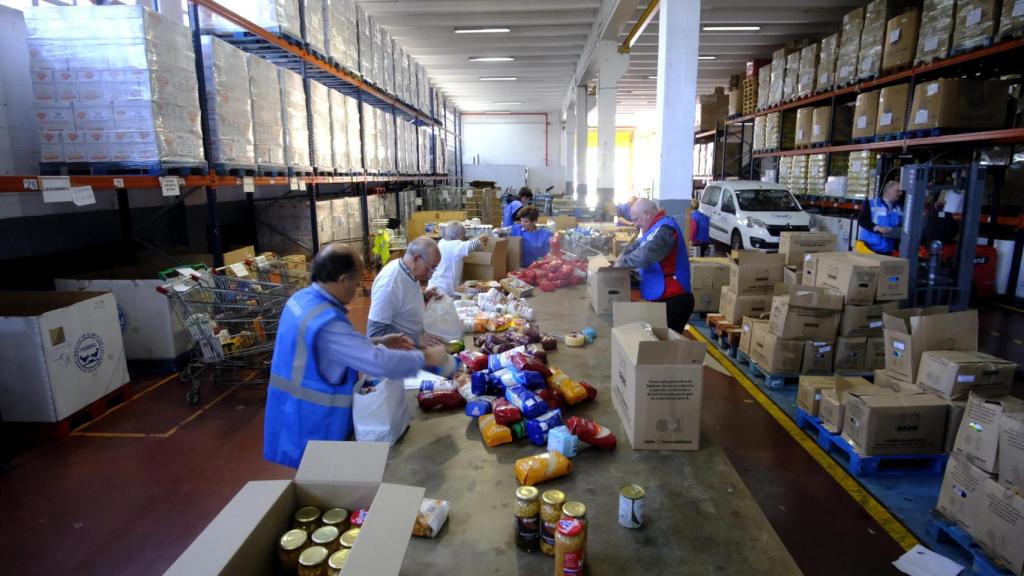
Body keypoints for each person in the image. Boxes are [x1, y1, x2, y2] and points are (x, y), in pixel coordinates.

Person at [264, 244, 450, 468]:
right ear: (342, 280)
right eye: (356, 280)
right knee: (321, 483)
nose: (359, 288)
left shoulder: (302, 300)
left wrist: (378, 341)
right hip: (314, 422)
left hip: (290, 409)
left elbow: (326, 350)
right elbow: (377, 362)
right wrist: (427, 358)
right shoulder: (326, 322)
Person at [615, 198, 694, 333]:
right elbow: (638, 245)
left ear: (648, 213)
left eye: (636, 219)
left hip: (674, 300)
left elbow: (645, 254)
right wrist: (621, 257)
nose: (635, 224)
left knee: (664, 347)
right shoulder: (653, 229)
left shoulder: (665, 229)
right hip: (662, 297)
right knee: (657, 343)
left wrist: (621, 263)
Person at [368, 236, 445, 346]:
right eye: (430, 268)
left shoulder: (409, 271)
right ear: (416, 259)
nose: (431, 274)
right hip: (399, 354)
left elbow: (402, 301)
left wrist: (423, 296)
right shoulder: (390, 285)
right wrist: (417, 340)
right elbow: (375, 334)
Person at [427, 221, 483, 296]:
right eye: (463, 235)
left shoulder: (442, 242)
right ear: (458, 235)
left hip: (435, 285)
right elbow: (472, 245)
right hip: (443, 289)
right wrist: (484, 237)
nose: (463, 238)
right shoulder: (455, 245)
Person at [856, 180, 904, 255]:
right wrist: (877, 227)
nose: (900, 193)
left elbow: (901, 226)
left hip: (887, 250)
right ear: (888, 190)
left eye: (901, 191)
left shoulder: (899, 208)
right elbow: (862, 220)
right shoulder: (871, 203)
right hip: (868, 248)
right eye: (898, 191)